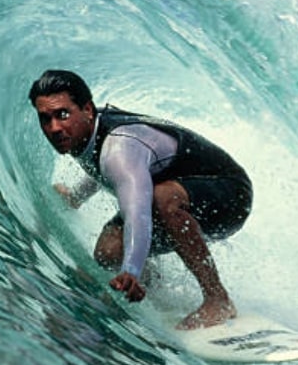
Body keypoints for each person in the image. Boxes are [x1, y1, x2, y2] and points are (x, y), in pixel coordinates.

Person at [28, 69, 253, 330]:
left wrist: (130, 270)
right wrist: (76, 196)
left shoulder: (119, 149)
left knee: (161, 198)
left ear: (87, 109)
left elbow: (138, 213)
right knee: (108, 251)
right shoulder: (88, 130)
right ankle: (154, 288)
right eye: (45, 119)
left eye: (62, 115)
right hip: (186, 197)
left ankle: (218, 299)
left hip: (230, 196)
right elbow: (106, 170)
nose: (54, 128)